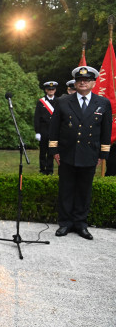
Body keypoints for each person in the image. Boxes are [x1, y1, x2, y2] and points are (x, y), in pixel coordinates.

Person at [49, 66, 112, 240]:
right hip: (67, 153)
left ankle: (80, 224)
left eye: (86, 80)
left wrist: (103, 154)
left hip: (90, 154)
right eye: (79, 80)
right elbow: (54, 128)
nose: (82, 82)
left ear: (93, 83)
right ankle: (65, 223)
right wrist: (54, 150)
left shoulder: (103, 103)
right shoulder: (63, 101)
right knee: (66, 189)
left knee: (84, 191)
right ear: (75, 83)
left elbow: (106, 131)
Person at [33, 81, 58, 175]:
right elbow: (37, 117)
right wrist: (37, 132)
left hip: (54, 130)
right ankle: (42, 169)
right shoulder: (41, 102)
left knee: (52, 150)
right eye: (49, 89)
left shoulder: (59, 101)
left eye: (53, 89)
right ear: (46, 90)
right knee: (43, 151)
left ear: (55, 90)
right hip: (43, 129)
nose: (51, 91)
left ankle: (50, 169)